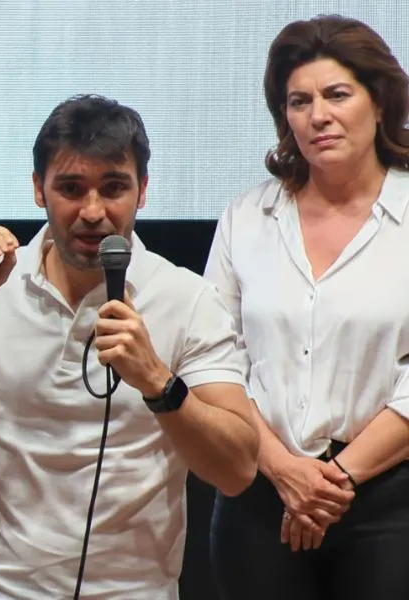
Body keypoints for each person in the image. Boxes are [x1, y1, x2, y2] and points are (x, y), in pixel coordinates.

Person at [0, 94, 259, 599]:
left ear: (143, 192)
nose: (93, 212)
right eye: (71, 188)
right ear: (38, 190)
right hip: (0, 590)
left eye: (114, 188)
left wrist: (158, 382)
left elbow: (237, 471)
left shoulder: (186, 298)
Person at [205, 14, 409, 600]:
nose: (318, 115)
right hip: (259, 493)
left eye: (337, 95)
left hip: (389, 499)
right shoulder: (246, 217)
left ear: (379, 102)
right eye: (299, 101)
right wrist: (283, 469)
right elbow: (213, 358)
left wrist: (334, 480)